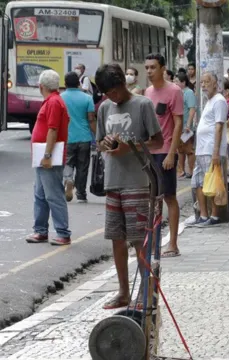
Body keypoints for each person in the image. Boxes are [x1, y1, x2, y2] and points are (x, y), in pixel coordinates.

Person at [94, 63, 164, 309]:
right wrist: (106, 145)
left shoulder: (143, 104)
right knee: (116, 238)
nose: (115, 96)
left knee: (139, 239)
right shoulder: (104, 108)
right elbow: (100, 141)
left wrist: (131, 147)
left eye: (117, 90)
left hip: (137, 182)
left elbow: (157, 141)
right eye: (110, 94)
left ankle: (146, 293)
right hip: (113, 181)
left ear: (124, 84)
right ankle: (123, 292)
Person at [144, 53, 184, 257]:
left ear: (162, 68)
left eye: (153, 67)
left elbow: (178, 123)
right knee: (151, 199)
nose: (149, 71)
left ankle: (173, 243)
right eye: (147, 68)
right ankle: (151, 243)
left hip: (165, 151)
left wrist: (171, 153)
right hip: (148, 153)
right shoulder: (148, 92)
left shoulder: (174, 91)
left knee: (169, 197)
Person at [26, 70, 72, 246]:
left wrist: (47, 155)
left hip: (47, 155)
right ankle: (40, 230)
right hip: (42, 155)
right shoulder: (53, 101)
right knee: (40, 194)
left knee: (53, 195)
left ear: (41, 86)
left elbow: (53, 130)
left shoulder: (53, 102)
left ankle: (62, 232)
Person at [188, 73, 229, 227]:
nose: (204, 85)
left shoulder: (219, 101)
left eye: (207, 82)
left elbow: (219, 126)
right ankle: (203, 215)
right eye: (202, 82)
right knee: (197, 182)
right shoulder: (209, 101)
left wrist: (216, 152)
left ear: (215, 84)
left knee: (212, 182)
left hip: (211, 150)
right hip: (201, 150)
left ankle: (215, 216)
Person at [61, 71, 96, 203]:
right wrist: (98, 136)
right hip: (84, 137)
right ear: (78, 83)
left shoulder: (61, 98)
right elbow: (91, 120)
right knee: (83, 166)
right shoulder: (87, 98)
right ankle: (81, 193)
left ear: (65, 84)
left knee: (68, 162)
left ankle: (69, 179)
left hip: (67, 138)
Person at [175, 72, 197, 178]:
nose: (175, 83)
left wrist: (188, 124)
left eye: (177, 81)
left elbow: (192, 109)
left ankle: (192, 170)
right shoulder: (177, 92)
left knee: (189, 150)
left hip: (186, 127)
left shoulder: (189, 93)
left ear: (183, 82)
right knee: (180, 149)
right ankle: (181, 170)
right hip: (178, 126)